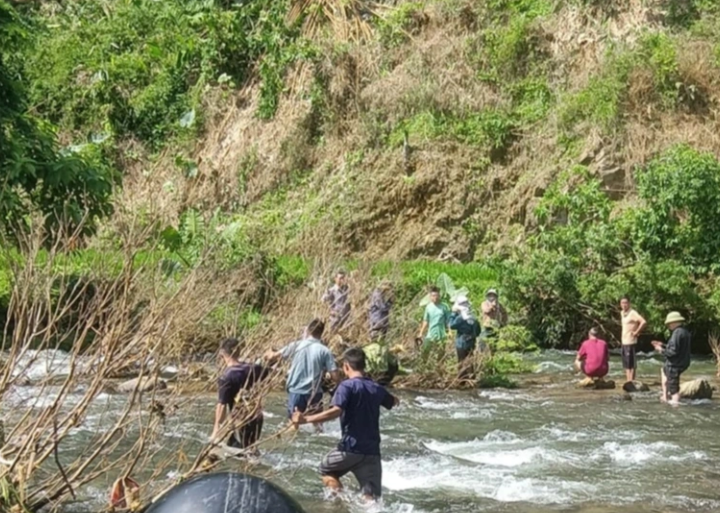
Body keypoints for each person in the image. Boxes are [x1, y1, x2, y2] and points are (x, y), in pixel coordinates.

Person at [292, 348, 399, 501]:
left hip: (350, 449)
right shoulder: (376, 388)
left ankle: (341, 501)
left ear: (346, 366)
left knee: (325, 469)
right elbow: (392, 401)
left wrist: (306, 419)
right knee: (371, 500)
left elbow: (336, 411)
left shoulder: (346, 386)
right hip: (372, 452)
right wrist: (395, 400)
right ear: (364, 366)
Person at [264, 319, 341, 429]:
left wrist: (268, 353)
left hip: (296, 391)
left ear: (308, 331)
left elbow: (273, 356)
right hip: (315, 394)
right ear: (321, 333)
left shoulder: (296, 345)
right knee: (318, 425)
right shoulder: (325, 351)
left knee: (293, 424)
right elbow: (335, 377)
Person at [211, 338, 273, 452]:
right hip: (256, 415)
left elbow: (222, 405)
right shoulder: (255, 368)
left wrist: (216, 429)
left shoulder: (226, 377)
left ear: (221, 354)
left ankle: (252, 468)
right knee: (250, 449)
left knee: (241, 452)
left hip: (240, 419)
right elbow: (270, 375)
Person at [652, 312, 691, 405]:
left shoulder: (677, 333)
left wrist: (660, 350)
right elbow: (677, 347)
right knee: (664, 371)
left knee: (674, 387)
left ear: (674, 322)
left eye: (669, 323)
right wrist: (663, 345)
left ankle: (675, 404)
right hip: (683, 361)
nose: (668, 325)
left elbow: (672, 352)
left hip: (675, 364)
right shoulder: (684, 331)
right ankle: (665, 396)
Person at [620, 296, 647, 383]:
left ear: (629, 303)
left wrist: (636, 332)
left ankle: (631, 380)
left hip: (631, 341)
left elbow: (643, 322)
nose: (624, 305)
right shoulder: (622, 313)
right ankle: (628, 380)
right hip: (624, 341)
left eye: (626, 303)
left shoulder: (633, 313)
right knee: (626, 364)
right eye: (622, 303)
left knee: (631, 363)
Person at [449, 295, 481, 365]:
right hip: (471, 343)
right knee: (470, 363)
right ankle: (471, 376)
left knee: (461, 363)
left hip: (461, 343)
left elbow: (451, 325)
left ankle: (463, 376)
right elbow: (478, 331)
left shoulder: (460, 318)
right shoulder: (473, 316)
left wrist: (453, 313)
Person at [417, 286, 451, 351]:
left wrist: (450, 331)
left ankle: (440, 361)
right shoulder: (428, 307)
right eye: (433, 295)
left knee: (440, 352)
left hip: (441, 334)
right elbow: (426, 321)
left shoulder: (445, 306)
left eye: (436, 295)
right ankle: (424, 361)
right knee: (425, 350)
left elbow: (448, 320)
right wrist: (421, 333)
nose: (435, 297)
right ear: (430, 297)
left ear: (439, 296)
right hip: (430, 334)